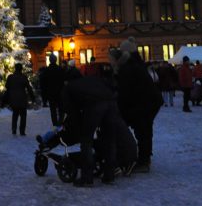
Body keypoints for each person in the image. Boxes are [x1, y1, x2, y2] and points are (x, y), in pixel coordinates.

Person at [60, 73, 122, 186]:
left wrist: (78, 127)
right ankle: (109, 175)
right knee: (110, 139)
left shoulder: (68, 88)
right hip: (112, 102)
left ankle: (87, 178)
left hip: (95, 105)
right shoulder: (89, 80)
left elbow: (71, 111)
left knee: (86, 140)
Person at [113, 37, 161, 173]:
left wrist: (120, 108)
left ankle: (143, 161)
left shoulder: (129, 67)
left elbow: (126, 91)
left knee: (142, 130)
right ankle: (144, 159)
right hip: (149, 102)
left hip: (144, 103)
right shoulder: (137, 63)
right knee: (144, 130)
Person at [4, 62, 35, 136]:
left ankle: (14, 129)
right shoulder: (23, 77)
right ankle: (22, 131)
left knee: (15, 114)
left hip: (13, 98)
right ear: (21, 69)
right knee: (23, 115)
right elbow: (29, 88)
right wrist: (33, 97)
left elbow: (7, 86)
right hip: (22, 99)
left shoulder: (10, 77)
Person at [39, 54, 65, 126]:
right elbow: (64, 81)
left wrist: (44, 96)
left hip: (50, 93)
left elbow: (43, 84)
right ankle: (60, 122)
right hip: (59, 92)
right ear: (56, 60)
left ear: (50, 60)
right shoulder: (60, 69)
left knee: (53, 109)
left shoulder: (46, 70)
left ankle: (55, 123)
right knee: (61, 108)